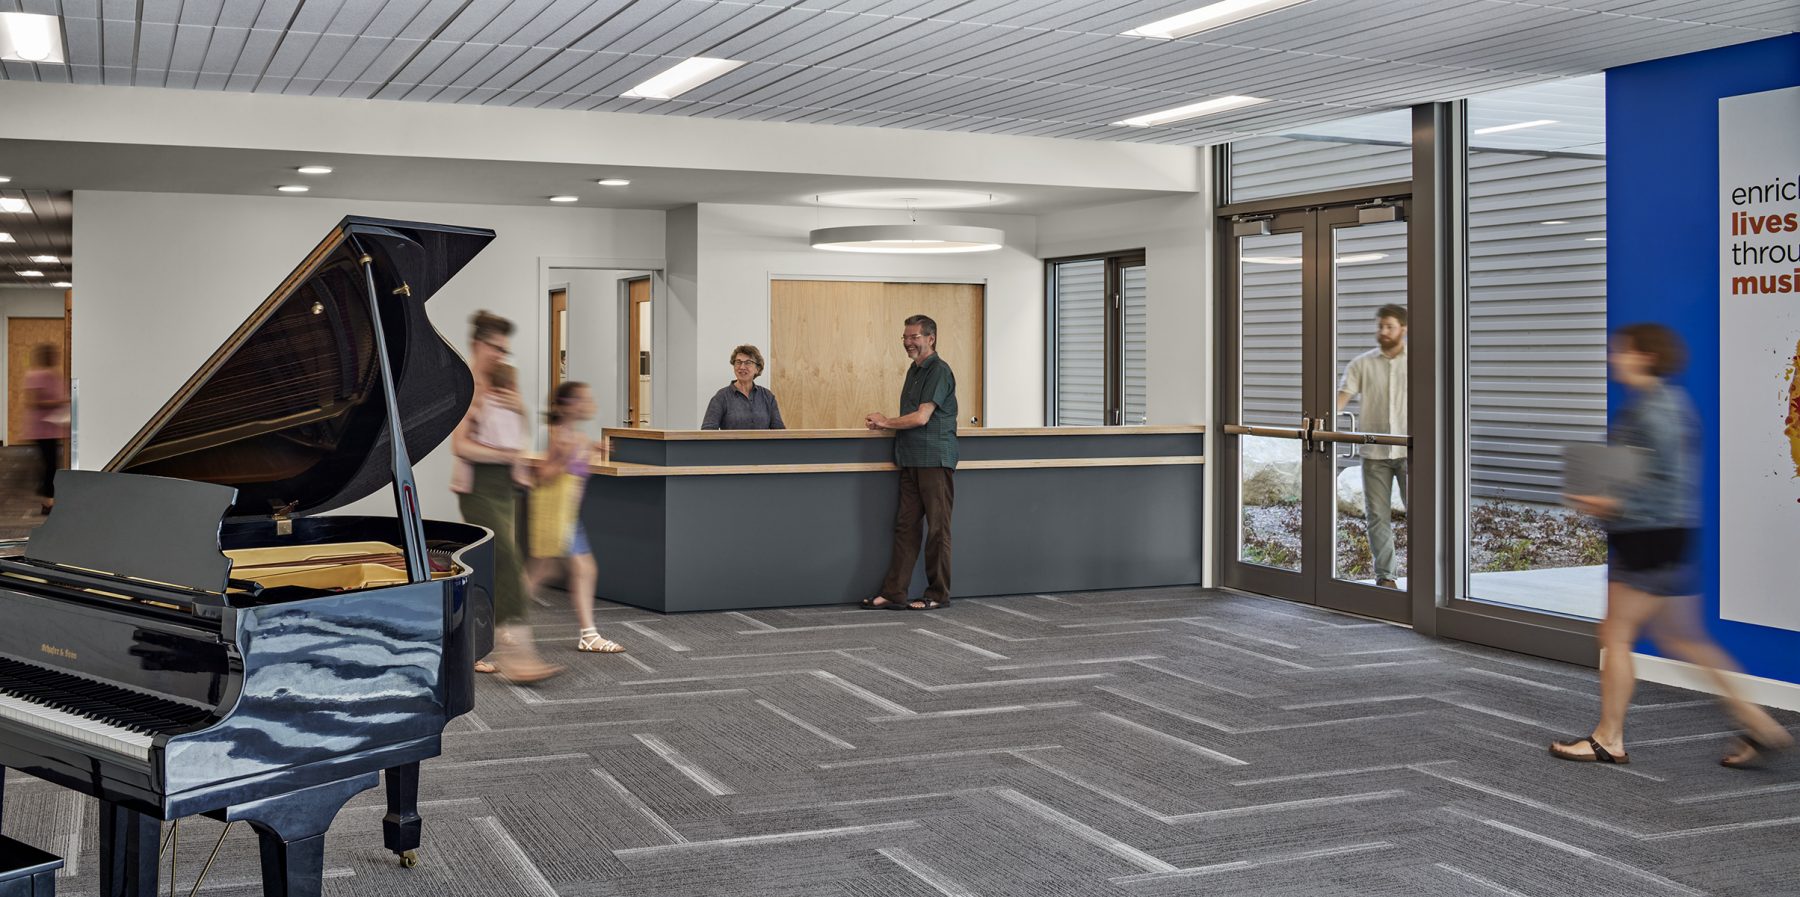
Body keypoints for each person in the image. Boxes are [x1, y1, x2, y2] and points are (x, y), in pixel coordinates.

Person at [1552, 323, 1791, 767]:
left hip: (1646, 539)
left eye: (1619, 351)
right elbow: (1660, 479)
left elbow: (1646, 487)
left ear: (1644, 356)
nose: (1612, 358)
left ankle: (1609, 737)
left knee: (1616, 634)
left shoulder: (1648, 414)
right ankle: (1760, 724)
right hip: (1672, 536)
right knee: (1685, 639)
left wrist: (1602, 500)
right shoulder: (1673, 404)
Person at [451, 310, 563, 685]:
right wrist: (503, 454)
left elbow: (517, 437)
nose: (501, 355)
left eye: (504, 349)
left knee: (495, 569)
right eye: (496, 348)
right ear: (478, 345)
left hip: (505, 487)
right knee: (510, 562)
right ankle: (518, 654)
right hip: (480, 488)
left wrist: (517, 409)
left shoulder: (504, 384)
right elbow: (461, 446)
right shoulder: (468, 387)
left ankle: (480, 645)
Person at [862, 315, 957, 611]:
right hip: (910, 460)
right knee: (905, 528)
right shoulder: (913, 371)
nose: (908, 342)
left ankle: (938, 594)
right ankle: (894, 593)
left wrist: (885, 422)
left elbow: (921, 417)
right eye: (905, 337)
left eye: (914, 337)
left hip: (934, 460)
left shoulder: (939, 371)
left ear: (931, 338)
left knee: (938, 530)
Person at [526, 381, 624, 654]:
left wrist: (591, 450)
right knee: (572, 570)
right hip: (555, 515)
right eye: (583, 399)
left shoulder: (574, 435)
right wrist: (565, 460)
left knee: (549, 572)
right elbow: (543, 474)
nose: (588, 403)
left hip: (568, 515)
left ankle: (506, 626)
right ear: (568, 405)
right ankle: (587, 634)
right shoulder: (561, 436)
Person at [1337, 304, 1408, 588]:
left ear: (1403, 328)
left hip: (1410, 451)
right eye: (1380, 326)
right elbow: (1341, 398)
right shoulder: (1362, 364)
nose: (1383, 331)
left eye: (1389, 326)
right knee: (1377, 517)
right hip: (1375, 453)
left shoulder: (1417, 362)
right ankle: (1386, 578)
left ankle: (1428, 578)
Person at [23, 344, 68, 515]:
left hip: (53, 427)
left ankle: (47, 498)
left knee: (51, 465)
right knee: (49, 466)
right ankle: (47, 501)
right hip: (41, 428)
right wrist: (59, 403)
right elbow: (34, 402)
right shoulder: (36, 375)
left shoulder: (54, 375)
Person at [701, 344, 786, 430]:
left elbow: (779, 431)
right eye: (738, 362)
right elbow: (707, 431)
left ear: (757, 369)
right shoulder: (721, 396)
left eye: (748, 362)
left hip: (762, 444)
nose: (742, 367)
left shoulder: (767, 396)